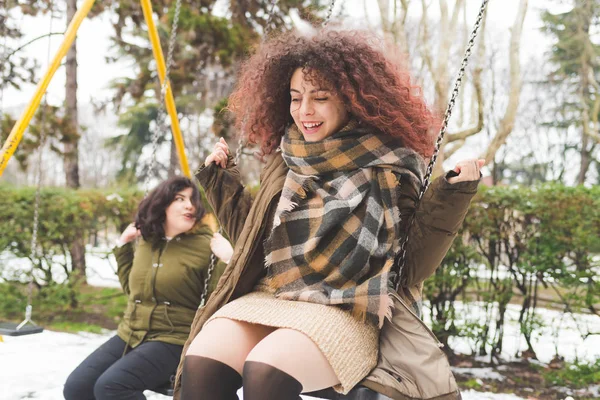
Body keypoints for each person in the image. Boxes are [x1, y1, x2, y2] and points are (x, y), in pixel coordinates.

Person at [174, 30, 483, 400]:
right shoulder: (286, 157)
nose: (304, 111)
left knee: (265, 371)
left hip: (346, 304)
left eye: (320, 98)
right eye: (295, 98)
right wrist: (221, 183)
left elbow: (411, 264)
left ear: (353, 102)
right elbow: (254, 243)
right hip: (273, 294)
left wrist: (452, 193)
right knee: (202, 362)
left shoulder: (393, 164)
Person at [63, 176, 230, 400]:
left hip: (174, 337)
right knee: (77, 387)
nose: (190, 205)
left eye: (192, 200)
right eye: (180, 198)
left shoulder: (206, 245)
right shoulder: (147, 241)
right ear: (162, 203)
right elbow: (134, 291)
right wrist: (123, 246)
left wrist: (227, 261)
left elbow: (215, 301)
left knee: (112, 388)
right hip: (131, 332)